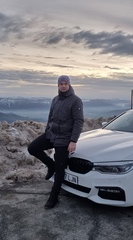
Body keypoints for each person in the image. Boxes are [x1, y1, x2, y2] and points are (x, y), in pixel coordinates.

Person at [28, 75, 84, 209]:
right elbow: (50, 117)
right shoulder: (55, 99)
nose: (63, 86)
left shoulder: (76, 101)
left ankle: (54, 196)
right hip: (51, 135)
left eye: (65, 83)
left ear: (69, 85)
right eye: (61, 84)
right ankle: (50, 165)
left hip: (64, 139)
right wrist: (47, 130)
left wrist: (73, 141)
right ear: (58, 86)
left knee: (60, 169)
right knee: (32, 148)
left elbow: (78, 121)